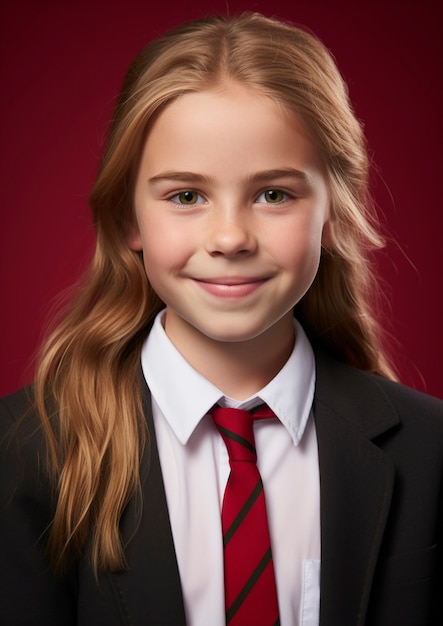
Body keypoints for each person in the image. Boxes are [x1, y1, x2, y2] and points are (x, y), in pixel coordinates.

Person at [0, 12, 441, 626]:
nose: (230, 237)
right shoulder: (20, 454)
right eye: (186, 196)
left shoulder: (431, 449)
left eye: (274, 194)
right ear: (128, 218)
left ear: (335, 213)